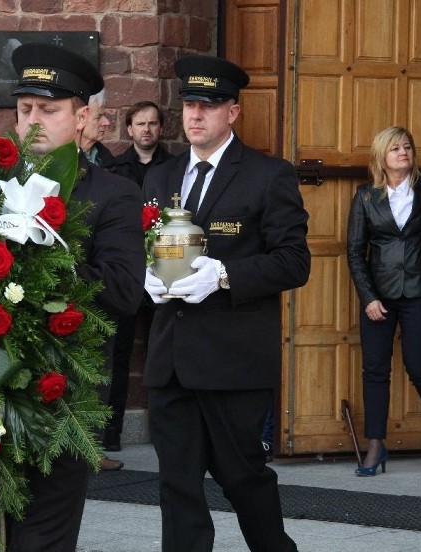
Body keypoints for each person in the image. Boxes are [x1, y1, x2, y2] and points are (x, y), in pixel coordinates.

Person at [142, 55, 310, 552]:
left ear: (232, 113)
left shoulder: (266, 175)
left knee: (242, 477)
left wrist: (226, 274)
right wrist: (145, 277)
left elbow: (294, 261)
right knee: (177, 484)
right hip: (170, 359)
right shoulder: (162, 177)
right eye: (189, 105)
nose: (195, 116)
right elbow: (143, 245)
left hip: (233, 360)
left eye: (208, 106)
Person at [7, 42, 145, 551]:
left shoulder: (111, 194)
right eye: (25, 110)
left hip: (63, 392)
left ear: (82, 116)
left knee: (42, 538)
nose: (34, 121)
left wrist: (40, 265)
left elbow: (126, 289)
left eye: (49, 109)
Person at [346, 126, 421, 477]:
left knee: (420, 366)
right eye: (395, 148)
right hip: (379, 296)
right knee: (375, 370)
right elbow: (355, 251)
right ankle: (376, 446)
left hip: (420, 292)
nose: (403, 152)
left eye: (407, 147)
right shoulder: (366, 197)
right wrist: (368, 297)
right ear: (382, 156)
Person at [102, 101, 174, 452]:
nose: (146, 130)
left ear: (161, 128)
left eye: (153, 123)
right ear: (128, 129)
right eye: (140, 124)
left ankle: (170, 432)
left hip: (166, 270)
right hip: (129, 273)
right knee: (118, 351)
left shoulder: (177, 168)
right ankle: (111, 434)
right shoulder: (115, 169)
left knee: (168, 348)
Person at [77, 90, 114, 167]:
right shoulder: (60, 161)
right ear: (81, 119)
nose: (107, 122)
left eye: (104, 116)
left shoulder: (106, 159)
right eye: (98, 117)